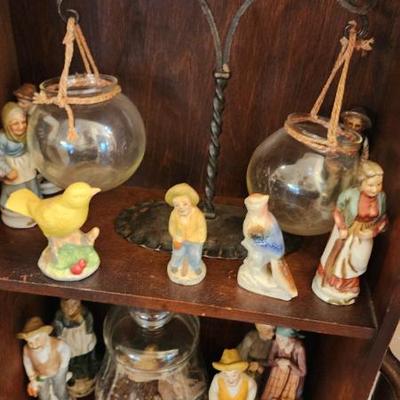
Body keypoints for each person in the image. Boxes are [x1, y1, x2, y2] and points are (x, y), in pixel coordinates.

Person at [312, 160, 388, 305]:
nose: (375, 189)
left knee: (358, 261)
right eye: (371, 185)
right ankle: (332, 283)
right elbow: (337, 211)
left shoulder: (381, 197)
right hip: (347, 230)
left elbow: (383, 219)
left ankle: (348, 285)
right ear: (361, 182)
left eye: (379, 184)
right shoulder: (349, 195)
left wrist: (373, 231)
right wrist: (342, 228)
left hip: (365, 234)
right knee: (339, 258)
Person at [237, 194, 297, 301]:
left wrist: (257, 242)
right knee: (255, 262)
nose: (253, 210)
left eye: (256, 207)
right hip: (258, 248)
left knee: (258, 261)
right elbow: (248, 232)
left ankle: (268, 281)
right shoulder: (252, 218)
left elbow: (270, 242)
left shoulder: (267, 220)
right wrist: (250, 240)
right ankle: (256, 277)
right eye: (251, 207)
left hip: (266, 250)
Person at [0, 102, 40, 227]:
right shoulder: (3, 138)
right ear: (7, 124)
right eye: (15, 123)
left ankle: (35, 208)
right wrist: (7, 170)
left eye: (23, 122)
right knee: (16, 189)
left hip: (27, 165)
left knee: (32, 186)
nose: (21, 126)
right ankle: (15, 210)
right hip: (13, 167)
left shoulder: (27, 133)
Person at [53, 299, 99, 397]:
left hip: (82, 335)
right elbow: (57, 325)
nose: (70, 308)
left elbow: (89, 319)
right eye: (67, 306)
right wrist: (60, 332)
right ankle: (73, 368)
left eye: (73, 305)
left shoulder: (83, 311)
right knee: (71, 353)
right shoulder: (60, 315)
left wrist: (88, 330)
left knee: (86, 350)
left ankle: (85, 368)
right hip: (68, 336)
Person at [17, 317, 71, 400]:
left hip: (58, 370)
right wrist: (32, 378)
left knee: (59, 389)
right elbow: (27, 364)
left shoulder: (57, 343)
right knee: (43, 393)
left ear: (45, 334)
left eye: (37, 339)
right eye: (29, 342)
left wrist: (63, 366)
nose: (33, 344)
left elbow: (66, 351)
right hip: (39, 374)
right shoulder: (27, 349)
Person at [165, 183, 207, 285]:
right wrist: (176, 236)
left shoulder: (198, 215)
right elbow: (172, 226)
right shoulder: (174, 214)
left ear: (191, 203)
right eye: (177, 205)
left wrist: (197, 239)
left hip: (195, 240)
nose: (181, 207)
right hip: (180, 239)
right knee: (177, 253)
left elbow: (202, 229)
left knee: (195, 254)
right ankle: (175, 264)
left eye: (185, 204)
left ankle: (195, 266)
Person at [261, 327, 306, 400]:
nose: (279, 341)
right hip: (276, 376)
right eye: (277, 338)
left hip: (291, 379)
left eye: (282, 339)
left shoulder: (299, 348)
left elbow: (302, 372)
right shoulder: (276, 343)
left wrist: (289, 363)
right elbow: (270, 361)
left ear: (291, 339)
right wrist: (278, 361)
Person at [237, 324, 275, 393]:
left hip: (258, 372)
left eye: (273, 330)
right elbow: (241, 357)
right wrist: (252, 365)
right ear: (259, 329)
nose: (273, 333)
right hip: (244, 369)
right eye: (268, 330)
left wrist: (258, 365)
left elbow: (270, 361)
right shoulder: (250, 338)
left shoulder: (271, 342)